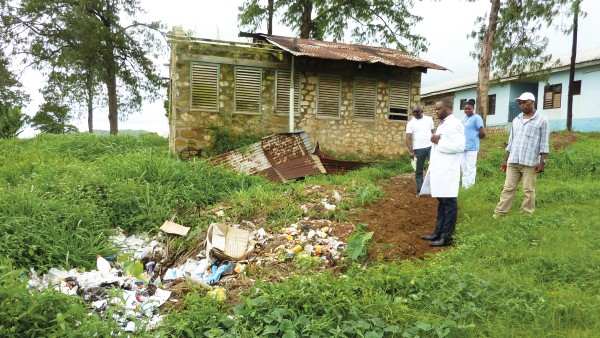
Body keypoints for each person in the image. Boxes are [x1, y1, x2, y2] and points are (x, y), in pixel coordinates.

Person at [493, 92, 549, 217]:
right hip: (513, 161)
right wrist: (505, 161)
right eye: (520, 103)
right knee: (508, 189)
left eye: (525, 102)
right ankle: (499, 214)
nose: (522, 105)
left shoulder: (542, 120)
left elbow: (544, 143)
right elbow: (511, 142)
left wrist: (542, 162)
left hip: (530, 162)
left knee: (528, 190)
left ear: (532, 102)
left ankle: (526, 215)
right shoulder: (516, 120)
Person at [420, 98, 465, 246]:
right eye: (436, 109)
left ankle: (446, 237)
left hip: (448, 170)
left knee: (449, 204)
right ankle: (437, 233)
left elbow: (459, 146)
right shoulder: (442, 124)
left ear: (448, 108)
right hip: (440, 169)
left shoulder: (455, 124)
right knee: (442, 203)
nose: (436, 111)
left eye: (439, 109)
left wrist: (439, 141)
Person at [405, 105, 434, 194]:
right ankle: (420, 191)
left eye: (417, 112)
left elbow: (433, 132)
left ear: (422, 111)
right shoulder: (410, 123)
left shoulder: (429, 119)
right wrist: (411, 151)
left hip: (430, 147)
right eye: (413, 112)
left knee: (434, 168)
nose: (415, 113)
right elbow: (408, 138)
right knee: (419, 171)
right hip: (418, 149)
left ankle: (433, 189)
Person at [460, 99, 485, 189]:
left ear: (473, 108)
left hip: (472, 147)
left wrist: (474, 138)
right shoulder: (464, 118)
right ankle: (464, 186)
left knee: (470, 167)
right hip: (463, 147)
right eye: (465, 109)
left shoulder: (477, 117)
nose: (467, 110)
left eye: (469, 109)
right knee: (464, 167)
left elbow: (482, 133)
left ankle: (470, 187)